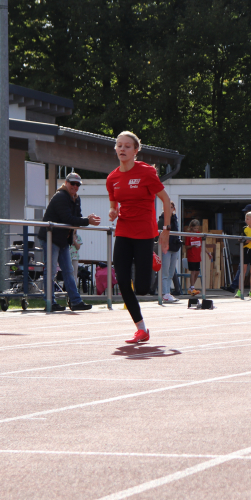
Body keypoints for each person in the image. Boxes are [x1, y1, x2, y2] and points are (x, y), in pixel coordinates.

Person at [107, 131, 173, 343]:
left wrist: (166, 229)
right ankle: (141, 329)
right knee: (123, 281)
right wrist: (112, 212)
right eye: (119, 146)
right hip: (124, 231)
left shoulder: (146, 173)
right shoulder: (112, 178)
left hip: (145, 232)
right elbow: (113, 204)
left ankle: (151, 258)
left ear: (136, 151)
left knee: (143, 289)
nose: (122, 149)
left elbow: (165, 200)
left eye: (127, 146)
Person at [37, 173, 101, 312]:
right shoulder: (60, 196)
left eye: (78, 184)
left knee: (69, 271)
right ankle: (50, 302)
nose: (75, 187)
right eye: (72, 183)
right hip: (50, 237)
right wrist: (87, 221)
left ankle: (75, 301)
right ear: (66, 183)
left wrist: (87, 218)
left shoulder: (76, 199)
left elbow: (76, 217)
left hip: (62, 240)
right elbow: (68, 218)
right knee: (52, 270)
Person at [226, 204, 251, 292]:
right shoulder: (250, 223)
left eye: (246, 212)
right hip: (250, 246)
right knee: (249, 269)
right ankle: (239, 287)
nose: (245, 214)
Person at [158, 201, 182, 302]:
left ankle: (168, 293)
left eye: (171, 207)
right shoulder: (162, 220)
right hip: (166, 248)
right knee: (165, 272)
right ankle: (165, 293)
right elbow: (159, 234)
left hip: (174, 248)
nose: (170, 209)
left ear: (174, 209)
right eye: (168, 207)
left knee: (171, 272)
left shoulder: (175, 220)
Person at [185, 219, 203, 296]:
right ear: (191, 227)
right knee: (193, 272)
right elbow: (186, 246)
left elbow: (202, 245)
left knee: (197, 272)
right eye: (195, 228)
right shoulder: (189, 235)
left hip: (197, 256)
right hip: (191, 256)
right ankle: (192, 287)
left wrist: (208, 252)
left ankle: (191, 287)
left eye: (197, 228)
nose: (196, 230)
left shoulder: (199, 234)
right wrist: (192, 245)